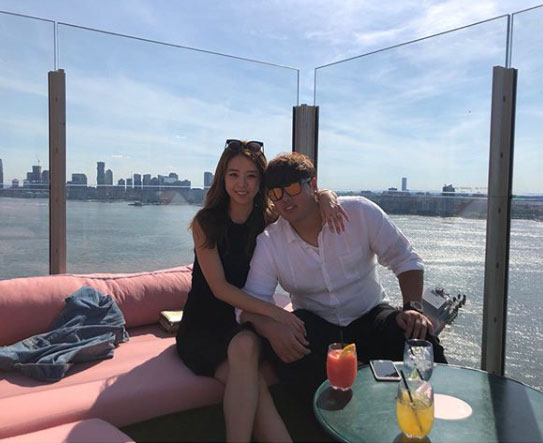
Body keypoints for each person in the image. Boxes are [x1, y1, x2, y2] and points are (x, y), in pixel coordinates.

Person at [176, 140, 347, 442]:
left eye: (251, 176)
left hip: (245, 321)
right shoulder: (207, 223)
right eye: (233, 175)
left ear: (261, 182)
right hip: (204, 325)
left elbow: (303, 201)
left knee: (246, 348)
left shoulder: (270, 221)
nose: (242, 184)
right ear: (222, 178)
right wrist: (276, 314)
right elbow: (219, 288)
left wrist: (325, 196)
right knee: (252, 381)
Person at [239, 152, 447, 397]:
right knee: (289, 351)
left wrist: (412, 308)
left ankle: (442, 401)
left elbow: (405, 258)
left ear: (313, 185)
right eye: (276, 193)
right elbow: (251, 302)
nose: (285, 199)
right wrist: (270, 328)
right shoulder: (271, 242)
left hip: (370, 314)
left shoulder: (358, 212)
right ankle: (323, 411)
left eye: (292, 188)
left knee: (417, 335)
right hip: (316, 323)